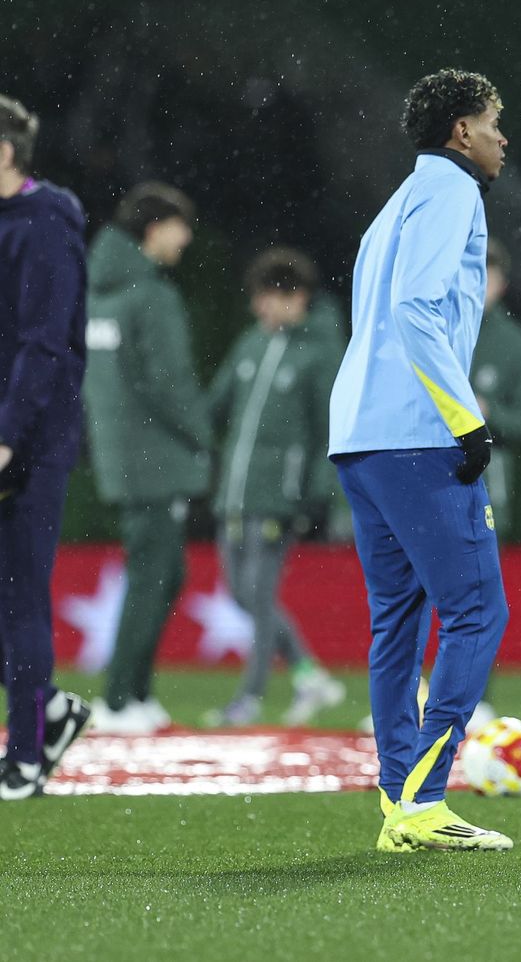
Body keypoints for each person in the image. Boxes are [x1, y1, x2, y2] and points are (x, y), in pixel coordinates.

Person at [328, 68, 512, 852]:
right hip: (414, 435)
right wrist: (465, 419)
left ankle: (397, 798)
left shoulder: (394, 204)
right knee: (478, 611)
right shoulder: (452, 194)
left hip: (358, 434)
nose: (504, 137)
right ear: (461, 132)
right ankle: (425, 797)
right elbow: (414, 306)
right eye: (495, 121)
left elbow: (382, 306)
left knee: (396, 621)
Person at [83, 181, 209, 734]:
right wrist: (204, 434)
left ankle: (132, 693)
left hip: (119, 453)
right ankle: (119, 699)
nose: (185, 240)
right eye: (181, 227)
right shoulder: (152, 295)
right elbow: (168, 381)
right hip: (156, 456)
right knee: (154, 575)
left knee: (160, 572)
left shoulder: (98, 293)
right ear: (155, 228)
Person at [205, 248, 346, 727]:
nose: (258, 308)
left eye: (267, 298)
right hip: (235, 494)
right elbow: (215, 404)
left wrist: (314, 494)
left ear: (296, 297)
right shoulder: (250, 344)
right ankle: (308, 674)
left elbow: (330, 427)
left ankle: (249, 697)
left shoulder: (320, 352)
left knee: (258, 596)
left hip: (278, 498)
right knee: (242, 595)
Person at [0, 94, 95, 799]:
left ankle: (26, 759)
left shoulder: (46, 220)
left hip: (28, 440)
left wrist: (8, 435)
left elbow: (45, 343)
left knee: (21, 600)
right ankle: (50, 711)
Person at [471, 237, 521, 541]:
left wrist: (488, 413)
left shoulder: (517, 345)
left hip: (489, 489)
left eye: (489, 279)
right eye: (474, 275)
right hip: (431, 481)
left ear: (502, 285)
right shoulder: (437, 332)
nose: (480, 287)